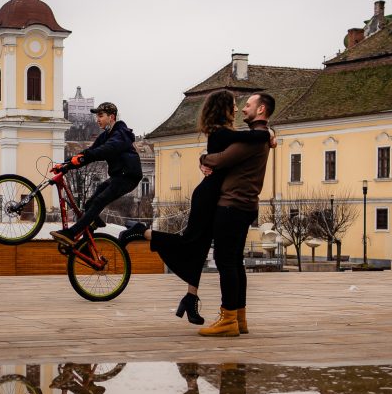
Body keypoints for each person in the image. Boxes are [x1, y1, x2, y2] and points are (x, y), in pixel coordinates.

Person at [119, 90, 273, 324]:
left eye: (241, 104)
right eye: (233, 104)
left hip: (214, 195)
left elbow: (243, 142)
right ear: (223, 108)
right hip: (209, 196)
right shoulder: (223, 134)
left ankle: (191, 298)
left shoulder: (225, 134)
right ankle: (141, 230)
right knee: (190, 242)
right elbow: (252, 139)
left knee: (199, 248)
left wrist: (267, 133)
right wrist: (269, 133)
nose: (237, 108)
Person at [198, 92, 275, 337]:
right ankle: (238, 317)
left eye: (249, 105)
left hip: (233, 205)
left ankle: (228, 318)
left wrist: (203, 158)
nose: (243, 109)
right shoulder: (258, 136)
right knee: (235, 262)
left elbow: (219, 160)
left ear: (261, 109)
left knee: (225, 261)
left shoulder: (253, 139)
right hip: (245, 205)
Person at [51, 102, 143, 247]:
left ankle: (72, 233)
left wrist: (83, 157)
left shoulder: (121, 134)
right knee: (89, 204)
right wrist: (65, 165)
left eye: (100, 116)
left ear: (111, 117)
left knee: (100, 200)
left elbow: (106, 149)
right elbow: (89, 153)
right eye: (96, 116)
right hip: (117, 177)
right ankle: (89, 243)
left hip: (128, 177)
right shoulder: (106, 135)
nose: (97, 119)